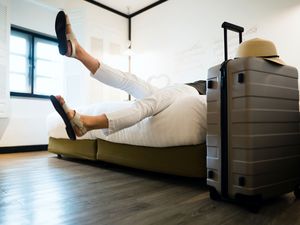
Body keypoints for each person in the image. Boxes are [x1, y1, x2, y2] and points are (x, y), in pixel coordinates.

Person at [50, 11, 206, 140]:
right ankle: (78, 51)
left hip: (192, 91)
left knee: (147, 104)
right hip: (178, 88)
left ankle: (86, 122)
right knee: (130, 80)